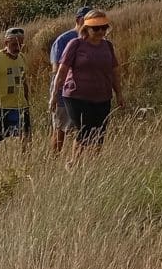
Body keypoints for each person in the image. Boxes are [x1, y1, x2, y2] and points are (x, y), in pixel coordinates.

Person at [48, 10, 125, 158]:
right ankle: (74, 164)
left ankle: (91, 165)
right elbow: (62, 71)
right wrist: (54, 96)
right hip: (76, 96)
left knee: (99, 133)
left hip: (102, 96)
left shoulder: (107, 46)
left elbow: (114, 72)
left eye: (104, 27)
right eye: (96, 28)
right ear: (86, 28)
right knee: (85, 130)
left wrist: (119, 94)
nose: (100, 31)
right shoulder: (75, 44)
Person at [49, 6, 93, 154]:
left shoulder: (94, 39)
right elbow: (57, 70)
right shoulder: (64, 39)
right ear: (78, 20)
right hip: (64, 92)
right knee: (60, 128)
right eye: (87, 20)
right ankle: (54, 159)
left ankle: (76, 162)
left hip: (85, 93)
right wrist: (55, 95)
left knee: (83, 130)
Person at [0, 28, 32, 159]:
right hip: (1, 106)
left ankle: (24, 164)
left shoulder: (22, 57)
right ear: (6, 43)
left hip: (20, 106)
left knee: (26, 138)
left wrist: (26, 102)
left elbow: (24, 82)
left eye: (20, 44)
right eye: (14, 44)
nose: (18, 47)